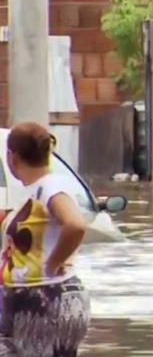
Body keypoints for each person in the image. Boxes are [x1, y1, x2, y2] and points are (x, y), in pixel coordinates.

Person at [0, 122, 90, 356]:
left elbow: (76, 225)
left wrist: (53, 262)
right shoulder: (36, 189)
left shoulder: (50, 187)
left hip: (45, 300)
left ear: (12, 157)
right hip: (32, 300)